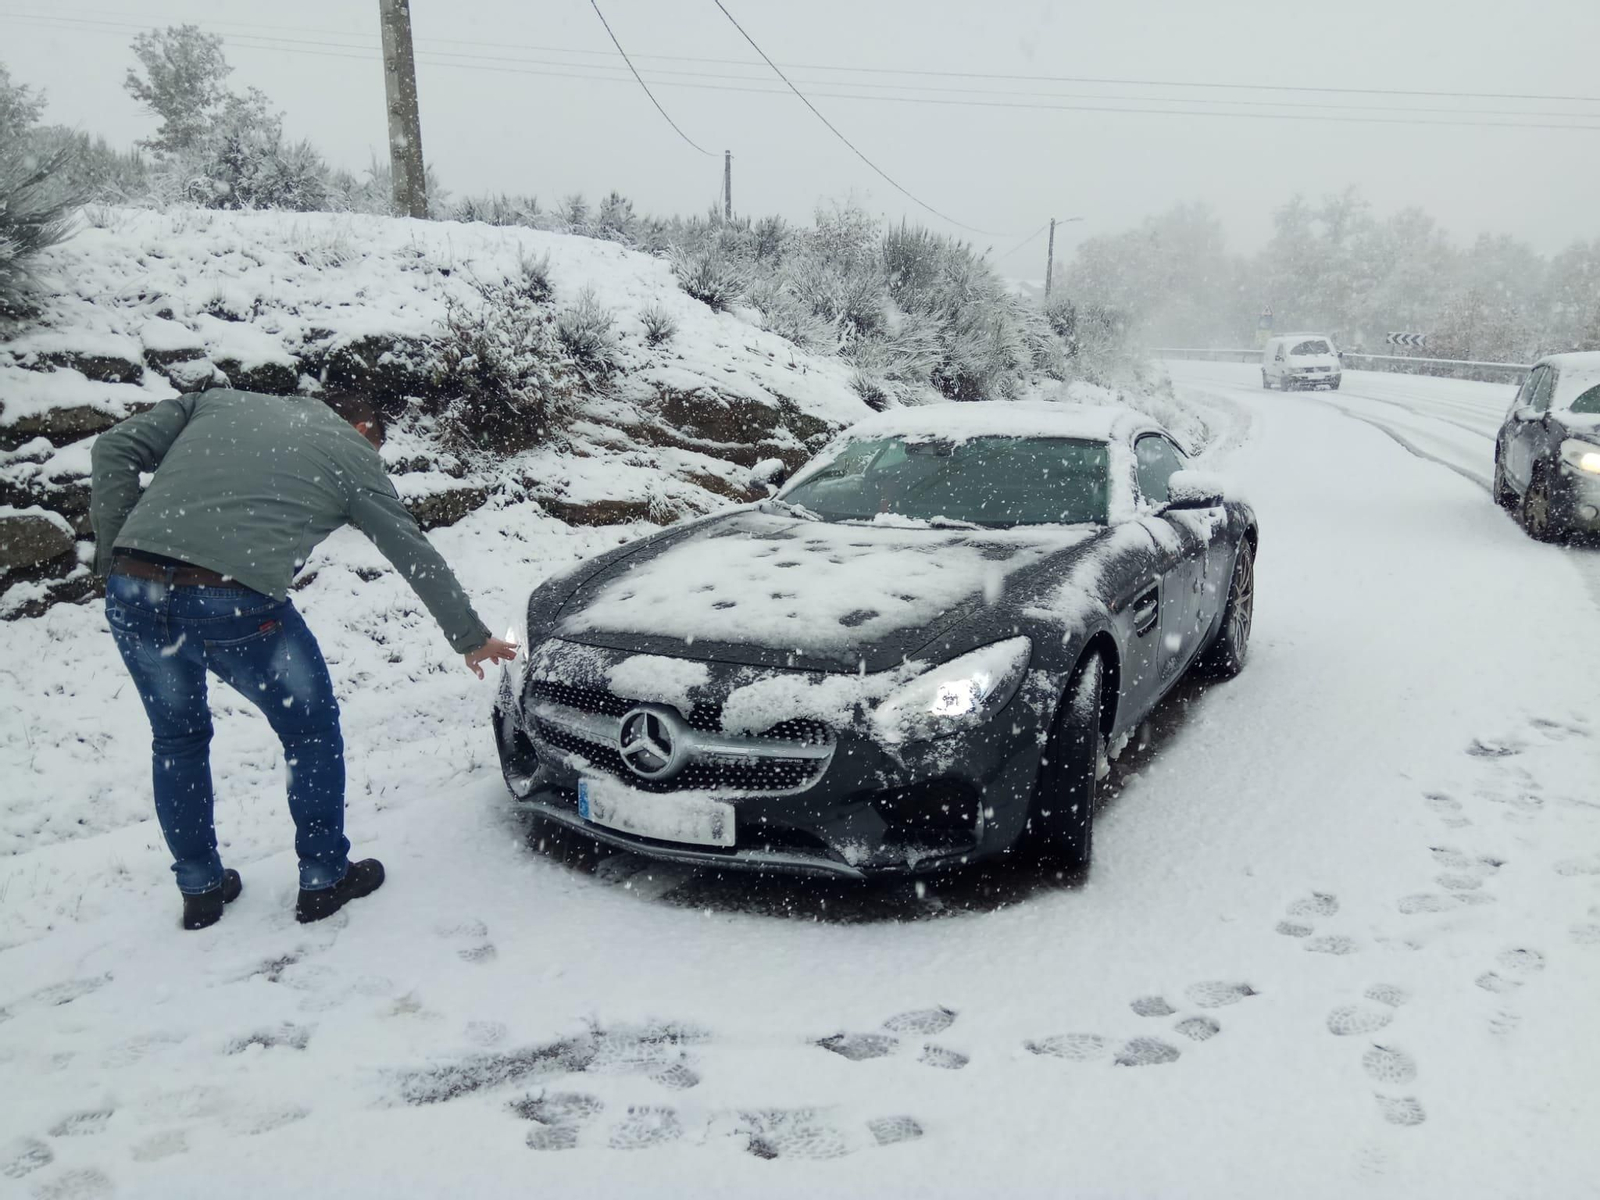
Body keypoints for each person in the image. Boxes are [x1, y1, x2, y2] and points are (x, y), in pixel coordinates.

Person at [90, 387, 518, 930]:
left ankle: (199, 888)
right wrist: (470, 636)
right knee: (310, 732)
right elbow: (410, 548)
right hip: (234, 599)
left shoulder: (213, 402)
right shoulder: (351, 450)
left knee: (177, 740)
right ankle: (324, 877)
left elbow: (112, 448)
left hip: (134, 588)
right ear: (365, 430)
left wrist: (119, 551)